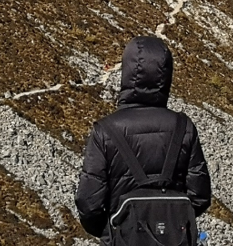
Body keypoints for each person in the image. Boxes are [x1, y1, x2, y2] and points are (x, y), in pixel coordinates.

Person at [75, 35, 212, 243]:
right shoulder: (184, 127)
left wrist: (111, 234)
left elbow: (88, 203)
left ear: (127, 73)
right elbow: (200, 197)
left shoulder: (105, 131)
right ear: (166, 76)